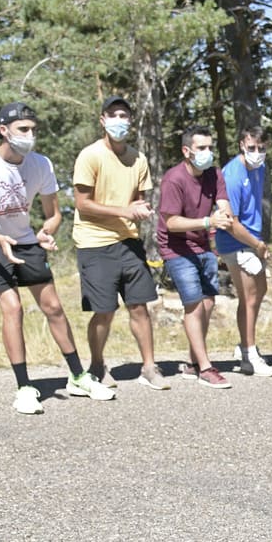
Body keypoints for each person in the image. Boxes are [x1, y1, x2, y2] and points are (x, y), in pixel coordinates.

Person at [0, 102, 115, 414]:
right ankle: (24, 386)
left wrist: (47, 231)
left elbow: (53, 214)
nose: (30, 135)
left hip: (25, 240)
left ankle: (78, 376)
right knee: (12, 307)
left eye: (33, 129)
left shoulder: (40, 164)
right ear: (4, 131)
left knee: (53, 306)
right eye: (23, 130)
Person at [72, 95, 169, 391]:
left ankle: (149, 367)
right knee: (104, 310)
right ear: (102, 120)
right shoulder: (90, 156)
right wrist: (124, 211)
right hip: (94, 242)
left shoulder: (138, 159)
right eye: (113, 115)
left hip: (129, 241)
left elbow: (138, 199)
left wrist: (139, 209)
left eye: (124, 115)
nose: (119, 121)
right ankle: (97, 366)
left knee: (139, 306)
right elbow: (83, 204)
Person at [156, 124, 234, 388]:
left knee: (208, 303)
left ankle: (192, 361)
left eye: (210, 147)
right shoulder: (174, 179)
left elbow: (223, 205)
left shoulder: (214, 174)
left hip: (202, 246)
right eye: (202, 148)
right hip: (176, 248)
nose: (208, 152)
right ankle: (205, 367)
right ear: (186, 151)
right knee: (194, 304)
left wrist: (224, 215)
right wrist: (207, 221)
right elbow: (171, 223)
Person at [214, 125, 272, 376]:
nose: (257, 153)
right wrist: (258, 245)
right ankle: (249, 353)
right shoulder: (233, 173)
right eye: (252, 148)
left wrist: (259, 242)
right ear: (242, 145)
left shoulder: (259, 168)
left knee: (259, 290)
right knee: (249, 297)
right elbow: (231, 222)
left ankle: (244, 346)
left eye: (261, 148)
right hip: (236, 241)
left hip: (251, 239)